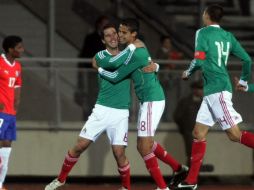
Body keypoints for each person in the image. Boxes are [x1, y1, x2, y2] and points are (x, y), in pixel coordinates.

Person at [96, 18, 188, 190]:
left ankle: (163, 187)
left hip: (152, 99)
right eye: (119, 31)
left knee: (143, 147)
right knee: (146, 143)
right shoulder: (138, 45)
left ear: (133, 34)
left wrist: (99, 67)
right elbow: (144, 59)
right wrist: (156, 66)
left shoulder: (135, 52)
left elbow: (115, 71)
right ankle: (178, 169)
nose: (119, 35)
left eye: (124, 32)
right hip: (148, 99)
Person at [45, 24, 133, 190]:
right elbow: (114, 64)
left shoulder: (127, 55)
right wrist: (133, 50)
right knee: (80, 146)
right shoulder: (101, 56)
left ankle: (126, 187)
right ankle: (61, 179)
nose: (113, 37)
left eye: (114, 33)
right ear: (102, 40)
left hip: (121, 111)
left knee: (119, 153)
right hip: (102, 109)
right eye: (108, 35)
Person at [175, 4, 253, 190]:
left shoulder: (202, 33)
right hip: (212, 91)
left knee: (234, 135)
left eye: (204, 12)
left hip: (217, 90)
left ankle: (191, 180)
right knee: (198, 133)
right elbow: (247, 60)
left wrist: (188, 71)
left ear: (207, 15)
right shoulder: (228, 36)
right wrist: (243, 81)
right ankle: (191, 181)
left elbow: (199, 58)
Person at [0, 35, 24, 190]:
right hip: (0, 112)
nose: (22, 50)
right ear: (10, 49)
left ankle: (0, 183)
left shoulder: (17, 66)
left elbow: (17, 85)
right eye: (19, 47)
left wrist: (16, 103)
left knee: (7, 146)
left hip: (10, 113)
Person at [75, 15, 110, 120]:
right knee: (93, 95)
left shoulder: (110, 38)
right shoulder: (91, 38)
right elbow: (85, 54)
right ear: (99, 25)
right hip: (93, 72)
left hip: (106, 73)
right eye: (104, 24)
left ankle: (104, 119)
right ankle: (91, 118)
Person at [173, 80, 203, 166]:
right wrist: (185, 130)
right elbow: (177, 116)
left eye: (201, 88)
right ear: (194, 90)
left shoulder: (203, 102)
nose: (201, 91)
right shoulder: (185, 102)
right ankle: (190, 176)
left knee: (199, 154)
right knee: (191, 154)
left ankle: (195, 176)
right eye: (199, 88)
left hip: (201, 133)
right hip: (190, 132)